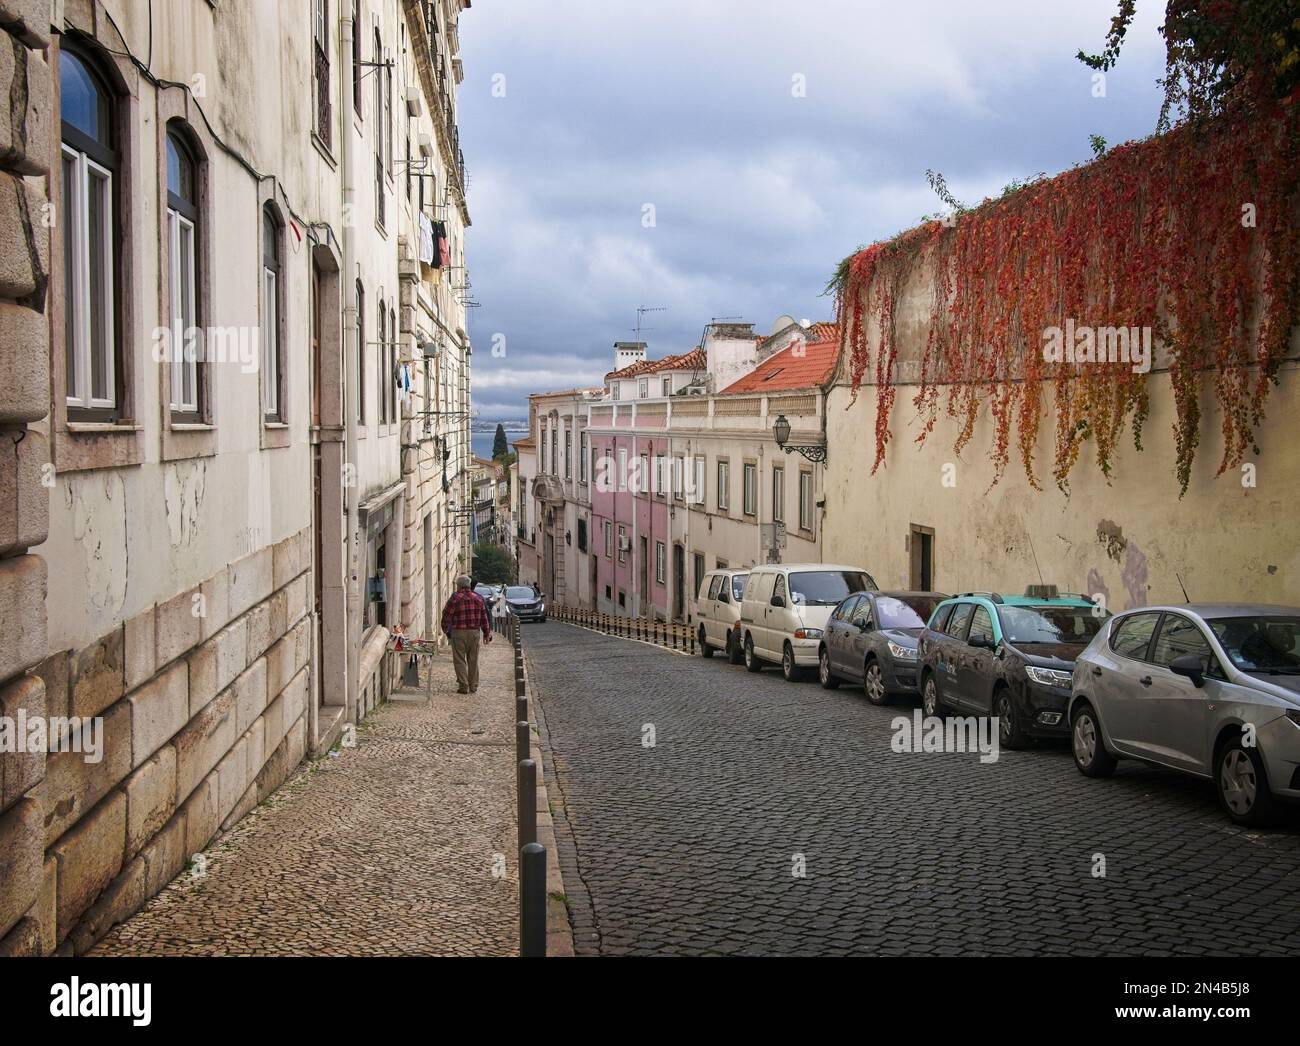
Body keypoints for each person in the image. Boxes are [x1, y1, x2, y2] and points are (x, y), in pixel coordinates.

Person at [441, 574, 492, 694]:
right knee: (473, 660)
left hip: (458, 632)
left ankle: (463, 686)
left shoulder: (455, 598)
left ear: (458, 586)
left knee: (459, 660)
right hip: (474, 633)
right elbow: (484, 617)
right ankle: (473, 686)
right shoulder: (478, 598)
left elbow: (446, 615)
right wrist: (486, 633)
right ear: (469, 585)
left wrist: (445, 629)